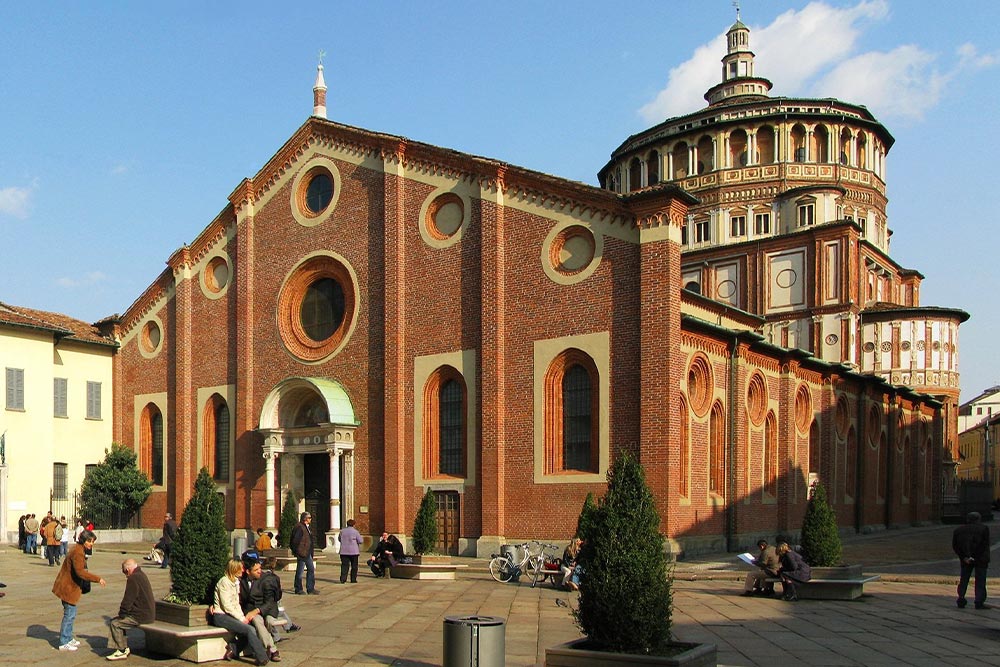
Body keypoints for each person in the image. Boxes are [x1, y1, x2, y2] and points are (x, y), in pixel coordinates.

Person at [51, 529, 106, 651]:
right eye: (89, 541)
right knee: (69, 615)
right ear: (84, 540)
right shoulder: (78, 552)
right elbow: (80, 572)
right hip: (68, 587)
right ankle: (64, 641)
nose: (91, 544)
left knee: (71, 614)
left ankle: (68, 637)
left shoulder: (78, 549)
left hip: (68, 586)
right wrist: (98, 579)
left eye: (92, 541)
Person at [211, 559, 269, 666]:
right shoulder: (224, 582)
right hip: (221, 616)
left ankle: (233, 649)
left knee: (249, 627)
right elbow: (227, 606)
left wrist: (242, 617)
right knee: (249, 629)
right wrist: (241, 618)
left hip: (231, 615)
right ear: (234, 569)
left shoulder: (235, 582)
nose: (243, 570)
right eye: (240, 568)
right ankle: (262, 658)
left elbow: (236, 604)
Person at [105, 558, 155, 661]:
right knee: (119, 621)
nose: (126, 575)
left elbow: (128, 599)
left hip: (141, 616)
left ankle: (121, 650)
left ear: (127, 570)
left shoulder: (133, 578)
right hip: (147, 613)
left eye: (125, 572)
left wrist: (122, 613)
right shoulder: (141, 574)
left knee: (115, 623)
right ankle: (123, 647)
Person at [239, 557, 282, 662]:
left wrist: (256, 611)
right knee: (257, 621)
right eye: (256, 570)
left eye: (260, 568)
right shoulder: (242, 580)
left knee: (268, 621)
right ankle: (272, 649)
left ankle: (268, 647)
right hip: (251, 610)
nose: (259, 571)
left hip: (268, 609)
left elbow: (270, 602)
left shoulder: (266, 580)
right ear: (248, 571)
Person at [953, 510, 991, 609]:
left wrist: (964, 557)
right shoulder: (984, 529)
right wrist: (973, 557)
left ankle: (961, 598)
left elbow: (955, 546)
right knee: (980, 580)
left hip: (965, 559)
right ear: (978, 519)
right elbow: (983, 545)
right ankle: (979, 601)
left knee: (964, 579)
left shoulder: (958, 530)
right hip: (981, 559)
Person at [260, 557, 300, 641]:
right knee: (278, 610)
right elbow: (278, 594)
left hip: (265, 602)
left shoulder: (260, 575)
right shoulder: (274, 577)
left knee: (278, 610)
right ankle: (288, 627)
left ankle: (281, 632)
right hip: (269, 603)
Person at [289, 512, 318, 595]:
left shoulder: (306, 527)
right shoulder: (299, 527)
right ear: (305, 519)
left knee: (310, 569)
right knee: (300, 571)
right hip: (302, 553)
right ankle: (298, 588)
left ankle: (310, 588)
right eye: (309, 518)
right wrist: (298, 551)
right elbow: (295, 541)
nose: (310, 519)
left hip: (307, 552)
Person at [338, 519, 363, 584]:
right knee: (354, 566)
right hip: (354, 551)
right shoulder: (355, 532)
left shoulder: (342, 531)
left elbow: (339, 539)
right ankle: (353, 579)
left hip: (344, 551)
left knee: (344, 565)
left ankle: (343, 579)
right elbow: (360, 541)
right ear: (354, 524)